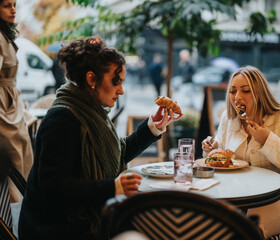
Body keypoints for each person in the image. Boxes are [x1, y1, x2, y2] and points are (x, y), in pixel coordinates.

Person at [18, 36, 182, 240]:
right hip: (58, 230)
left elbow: (117, 151)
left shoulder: (91, 110)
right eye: (116, 82)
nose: (121, 90)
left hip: (79, 222)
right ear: (91, 79)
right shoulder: (63, 118)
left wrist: (153, 128)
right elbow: (54, 186)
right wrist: (112, 187)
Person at [202, 65, 280, 238]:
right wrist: (213, 149)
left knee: (246, 228)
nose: (237, 97)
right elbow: (222, 157)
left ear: (260, 93)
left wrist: (268, 140)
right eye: (232, 91)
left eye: (245, 91)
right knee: (205, 221)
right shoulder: (228, 119)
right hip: (240, 198)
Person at [0, 0, 34, 203]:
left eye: (14, 5)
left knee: (22, 152)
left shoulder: (5, 34)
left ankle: (21, 208)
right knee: (15, 157)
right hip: (4, 106)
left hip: (11, 102)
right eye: (6, 5)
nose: (13, 9)